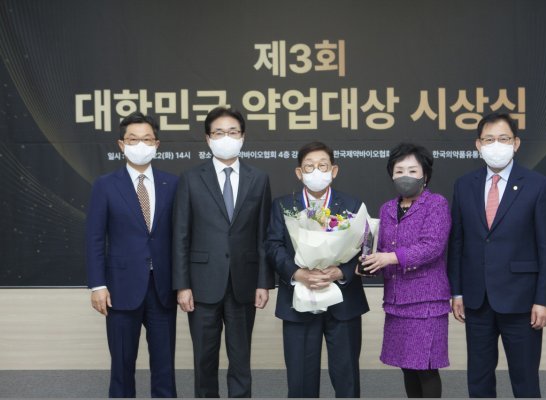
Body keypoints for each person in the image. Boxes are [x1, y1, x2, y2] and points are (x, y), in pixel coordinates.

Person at [447, 113, 546, 398]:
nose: (496, 145)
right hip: (477, 299)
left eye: (503, 139)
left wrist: (543, 299)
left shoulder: (537, 184)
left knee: (525, 379)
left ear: (516, 143)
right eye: (489, 139)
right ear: (478, 145)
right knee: (479, 378)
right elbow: (457, 242)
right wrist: (457, 292)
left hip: (522, 300)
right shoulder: (464, 185)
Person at [172, 106, 274, 398]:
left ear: (242, 137)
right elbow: (181, 235)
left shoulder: (259, 178)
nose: (226, 138)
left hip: (244, 282)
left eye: (232, 132)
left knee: (241, 358)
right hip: (201, 284)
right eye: (219, 133)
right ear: (208, 139)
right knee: (204, 359)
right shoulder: (191, 178)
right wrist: (182, 285)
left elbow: (263, 235)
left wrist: (263, 282)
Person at [265, 141, 369, 398]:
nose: (316, 171)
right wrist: (298, 273)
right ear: (299, 172)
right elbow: (273, 246)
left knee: (347, 378)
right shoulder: (283, 205)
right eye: (309, 167)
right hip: (299, 301)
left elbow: (364, 248)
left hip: (343, 303)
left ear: (334, 170)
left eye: (322, 166)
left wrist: (341, 272)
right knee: (300, 380)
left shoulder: (353, 205)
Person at [85, 111, 178, 398]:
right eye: (133, 139)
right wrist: (98, 285)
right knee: (122, 364)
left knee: (165, 365)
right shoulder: (105, 185)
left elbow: (180, 237)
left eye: (147, 139)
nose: (141, 145)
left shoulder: (173, 184)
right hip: (120, 288)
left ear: (157, 144)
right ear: (121, 144)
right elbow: (95, 238)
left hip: (163, 287)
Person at [361, 143, 451, 398]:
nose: (405, 176)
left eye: (412, 170)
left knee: (426, 368)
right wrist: (368, 263)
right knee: (407, 367)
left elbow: (431, 247)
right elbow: (381, 249)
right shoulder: (387, 208)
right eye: (399, 171)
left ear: (425, 175)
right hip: (397, 300)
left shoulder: (436, 204)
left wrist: (389, 257)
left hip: (426, 301)